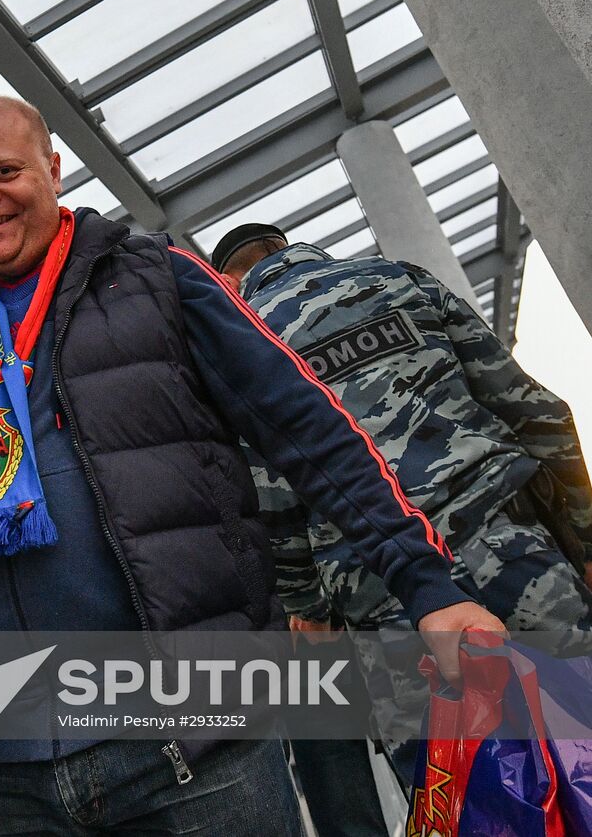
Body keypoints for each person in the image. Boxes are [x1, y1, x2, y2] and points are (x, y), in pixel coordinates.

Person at [0, 95, 504, 836]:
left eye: (4, 172)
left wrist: (427, 585)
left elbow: (313, 433)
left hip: (193, 738)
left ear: (53, 171)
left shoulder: (156, 282)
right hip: (14, 761)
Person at [212, 222, 592, 777]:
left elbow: (272, 502)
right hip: (514, 549)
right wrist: (583, 538)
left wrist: (310, 613)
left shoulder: (243, 347)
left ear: (227, 281)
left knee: (465, 799)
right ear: (291, 248)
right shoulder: (399, 280)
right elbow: (537, 412)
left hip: (389, 612)